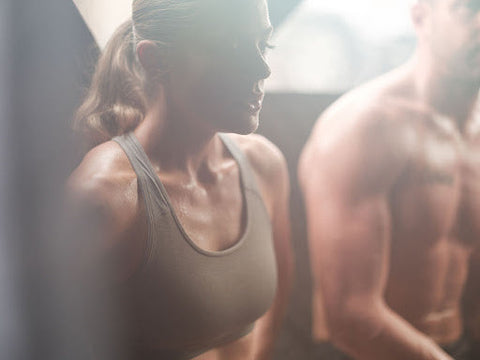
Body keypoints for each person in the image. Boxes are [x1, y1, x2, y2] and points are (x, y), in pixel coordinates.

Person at [66, 0, 294, 359]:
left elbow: (272, 307)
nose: (261, 68)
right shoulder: (108, 196)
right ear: (154, 60)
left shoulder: (264, 166)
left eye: (262, 44)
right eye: (228, 48)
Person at [298, 0, 480, 359]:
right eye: (469, 9)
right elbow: (351, 316)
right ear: (420, 16)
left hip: (455, 346)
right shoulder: (367, 126)